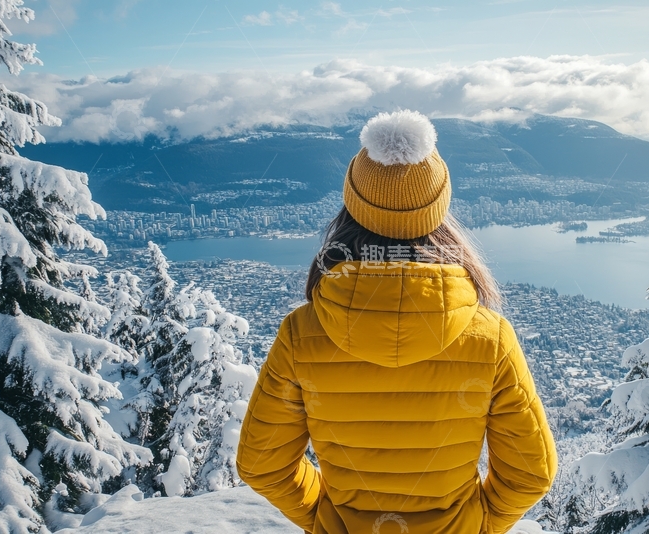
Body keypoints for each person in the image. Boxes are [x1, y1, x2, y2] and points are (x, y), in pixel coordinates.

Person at [237, 110, 557, 534]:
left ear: (350, 209)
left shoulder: (302, 335)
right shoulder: (490, 338)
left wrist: (324, 518)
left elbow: (262, 465)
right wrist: (474, 525)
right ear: (439, 213)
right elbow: (530, 474)